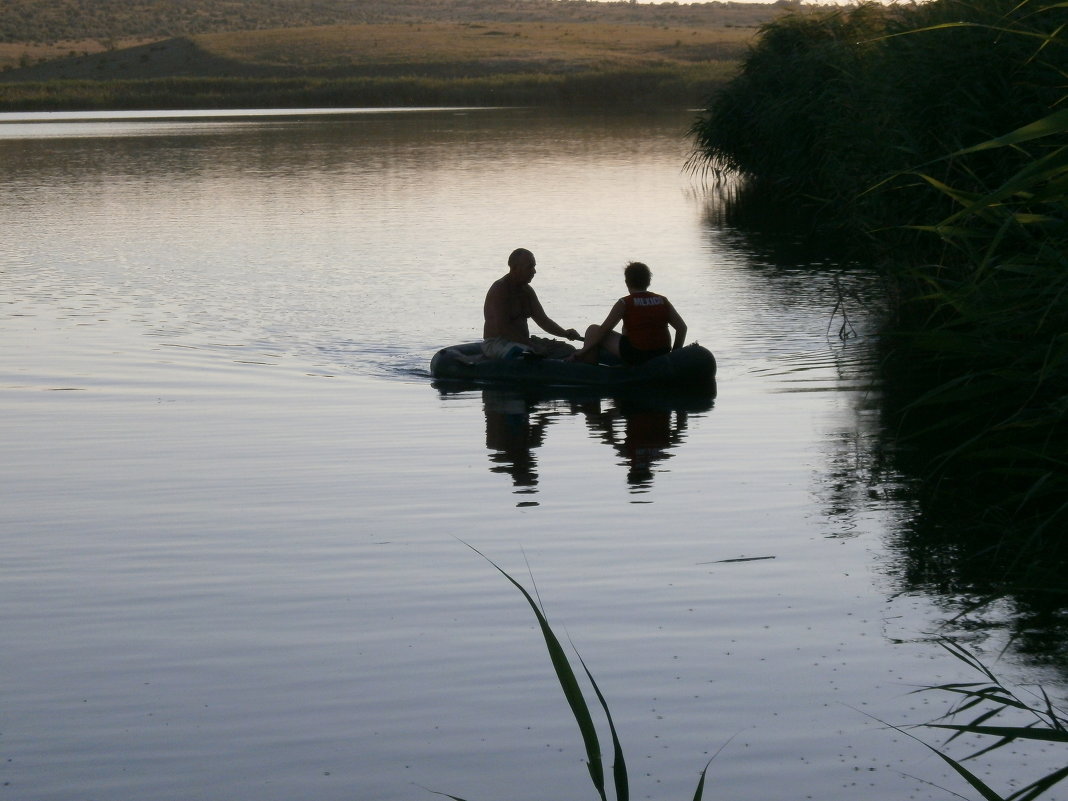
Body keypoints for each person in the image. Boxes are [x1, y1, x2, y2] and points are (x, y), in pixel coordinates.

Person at [571, 261, 687, 365]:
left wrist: (582, 351)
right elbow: (682, 328)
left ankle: (589, 368)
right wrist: (674, 354)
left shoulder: (624, 303)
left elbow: (603, 331)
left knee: (593, 330)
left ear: (627, 282)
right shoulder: (663, 300)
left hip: (636, 354)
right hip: (662, 352)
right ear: (648, 281)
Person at [483, 248, 581, 359]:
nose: (534, 271)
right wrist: (531, 345)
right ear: (515, 268)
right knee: (525, 353)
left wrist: (565, 333)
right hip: (497, 343)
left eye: (534, 266)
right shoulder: (500, 289)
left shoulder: (527, 291)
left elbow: (543, 320)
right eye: (529, 267)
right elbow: (503, 328)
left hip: (523, 342)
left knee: (568, 350)